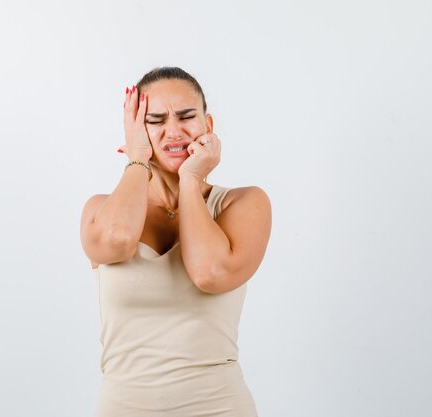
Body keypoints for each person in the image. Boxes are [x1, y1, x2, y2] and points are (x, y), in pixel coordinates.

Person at [79, 66, 271, 416]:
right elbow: (118, 241)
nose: (174, 131)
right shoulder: (100, 210)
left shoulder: (244, 204)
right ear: (135, 128)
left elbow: (209, 273)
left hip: (220, 407)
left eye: (186, 117)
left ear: (208, 127)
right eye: (155, 120)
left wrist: (191, 181)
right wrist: (139, 160)